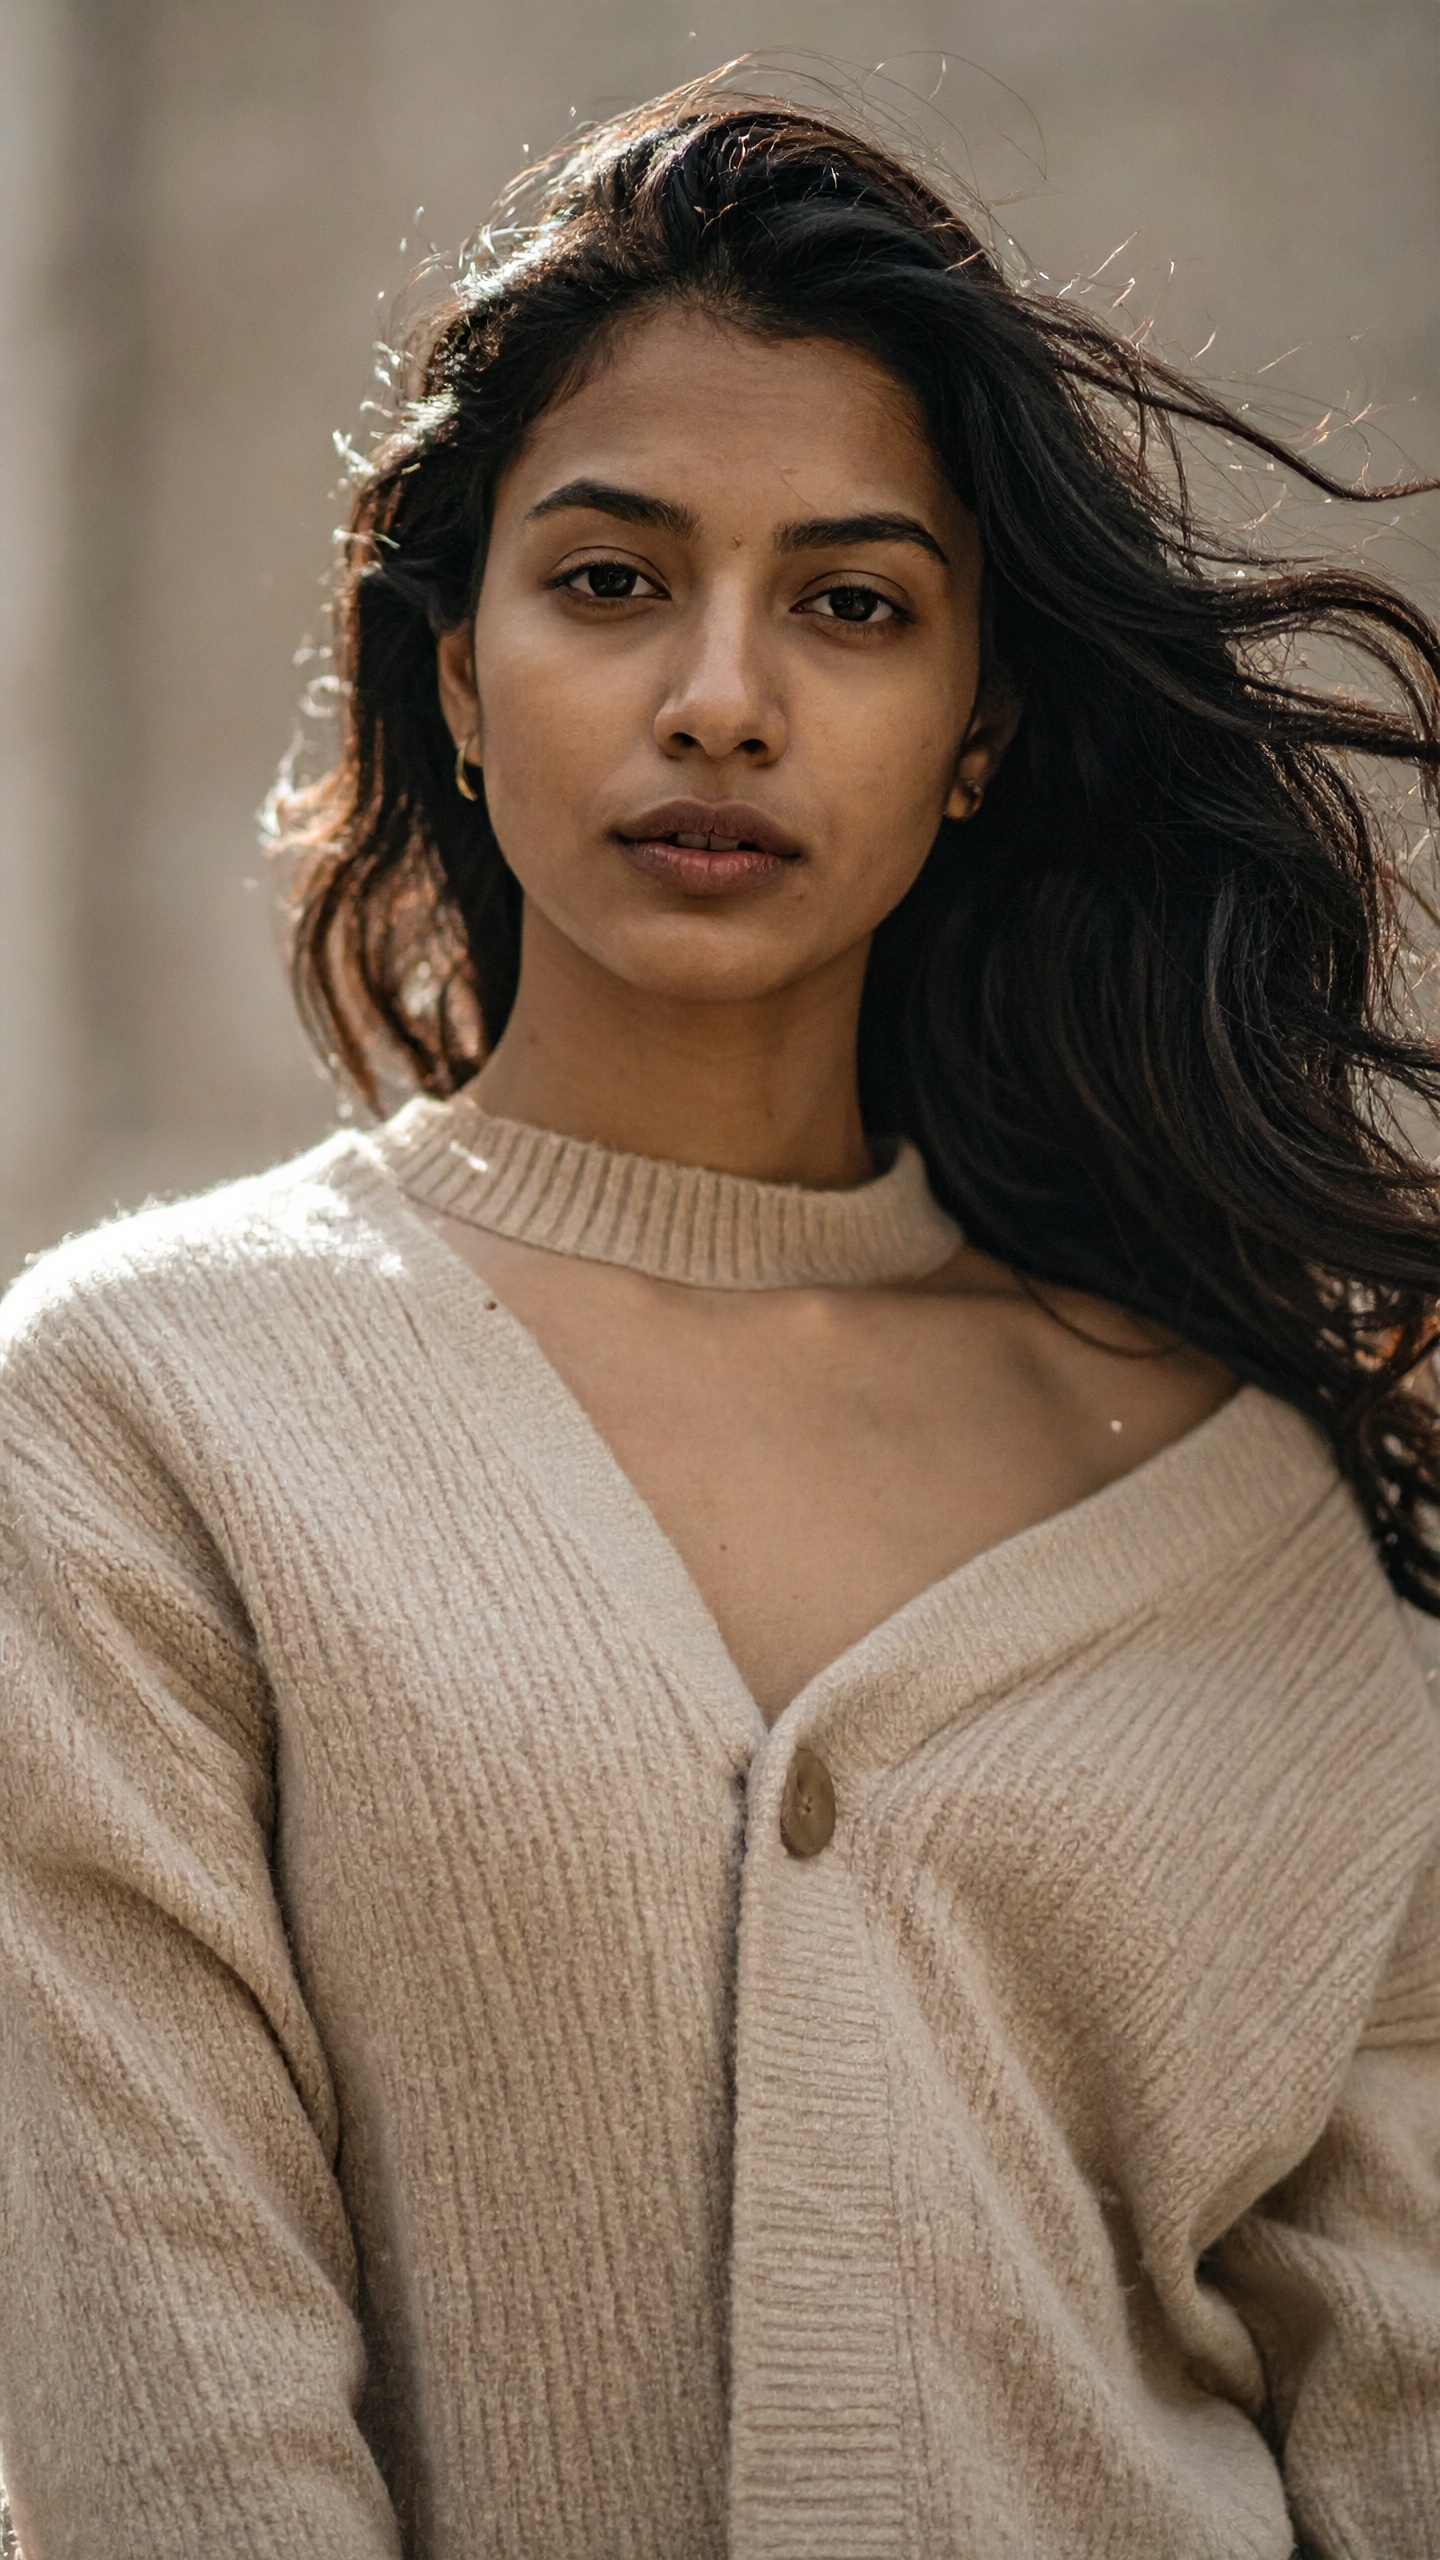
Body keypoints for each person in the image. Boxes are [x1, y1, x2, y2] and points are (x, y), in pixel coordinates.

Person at [1, 79, 1438, 2560]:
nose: (723, 698)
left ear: (980, 727)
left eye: (854, 606)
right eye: (609, 580)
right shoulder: (147, 1419)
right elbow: (178, 2437)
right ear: (456, 675)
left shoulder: (1243, 1495)